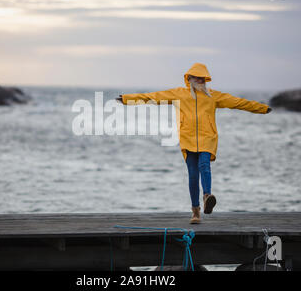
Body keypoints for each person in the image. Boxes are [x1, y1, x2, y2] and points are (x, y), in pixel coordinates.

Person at [116, 63, 272, 224]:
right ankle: (195, 212)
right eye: (196, 77)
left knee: (204, 165)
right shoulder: (179, 94)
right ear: (189, 78)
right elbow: (153, 97)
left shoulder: (214, 96)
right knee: (192, 175)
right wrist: (127, 99)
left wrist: (262, 108)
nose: (199, 80)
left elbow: (239, 102)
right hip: (187, 138)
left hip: (207, 137)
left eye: (202, 78)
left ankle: (207, 196)